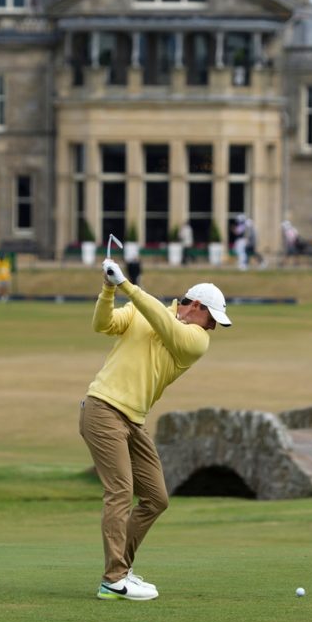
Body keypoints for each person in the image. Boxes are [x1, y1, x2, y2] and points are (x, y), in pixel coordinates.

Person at [81, 258, 231, 601]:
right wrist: (108, 289)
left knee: (156, 498)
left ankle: (122, 569)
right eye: (212, 320)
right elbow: (102, 325)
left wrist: (127, 286)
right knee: (120, 492)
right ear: (195, 306)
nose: (212, 329)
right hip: (103, 408)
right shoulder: (142, 312)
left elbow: (165, 325)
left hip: (133, 420)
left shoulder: (194, 341)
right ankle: (113, 579)